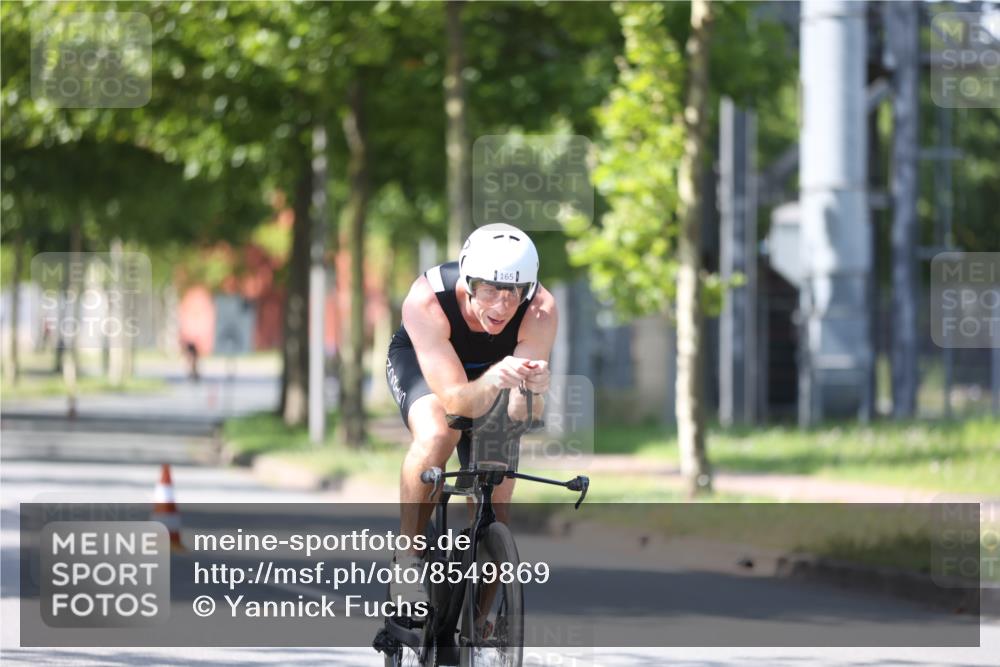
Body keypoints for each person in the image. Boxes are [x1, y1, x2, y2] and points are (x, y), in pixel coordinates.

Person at [385, 223, 557, 601]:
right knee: (438, 433)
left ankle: (484, 627)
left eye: (514, 291)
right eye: (490, 289)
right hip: (429, 368)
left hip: (493, 375)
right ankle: (409, 556)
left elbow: (522, 414)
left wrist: (533, 393)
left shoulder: (540, 309)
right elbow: (457, 403)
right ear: (467, 280)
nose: (502, 305)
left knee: (497, 494)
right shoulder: (427, 299)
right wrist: (496, 376)